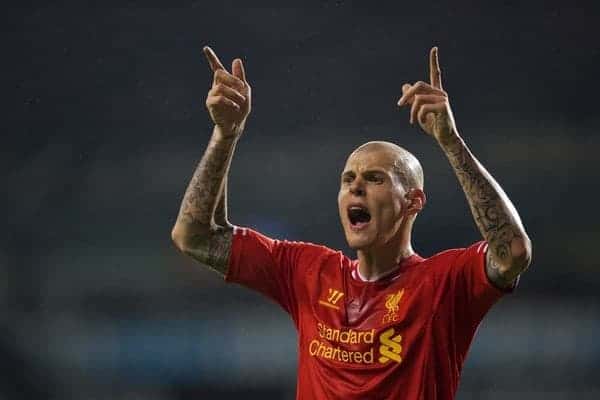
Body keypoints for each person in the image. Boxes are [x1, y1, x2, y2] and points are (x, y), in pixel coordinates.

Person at [171, 45, 532, 400]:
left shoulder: (443, 284)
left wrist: (451, 143)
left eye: (375, 178)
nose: (355, 185)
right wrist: (225, 135)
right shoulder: (307, 273)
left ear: (412, 202)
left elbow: (512, 252)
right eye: (348, 179)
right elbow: (194, 237)